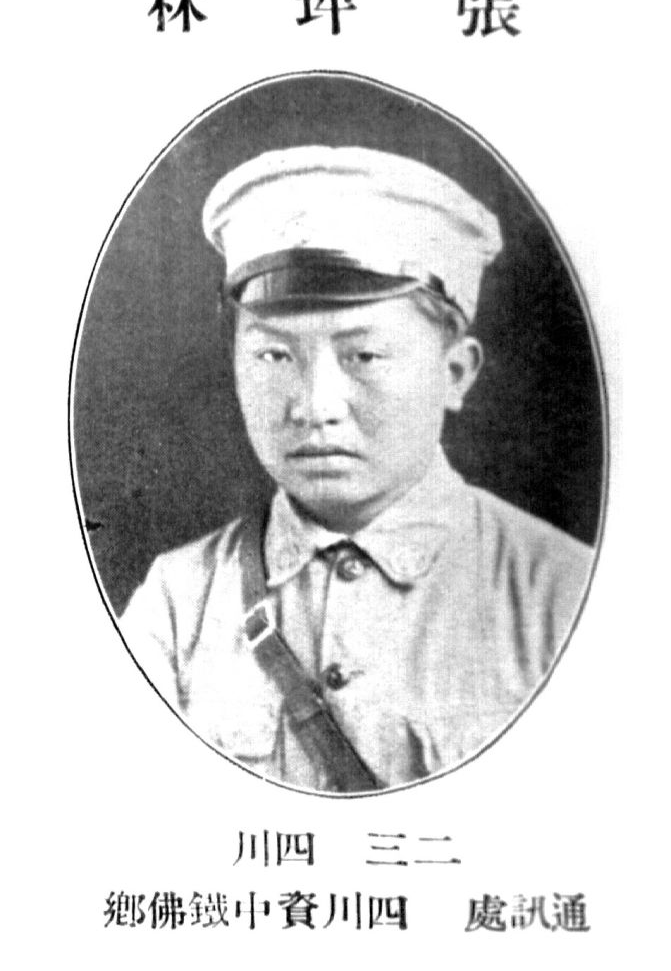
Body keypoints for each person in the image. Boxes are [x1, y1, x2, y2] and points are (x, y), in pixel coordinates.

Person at [120, 145, 593, 793]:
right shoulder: (177, 603)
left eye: (363, 355)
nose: (315, 407)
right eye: (274, 357)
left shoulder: (559, 594)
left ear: (455, 373)